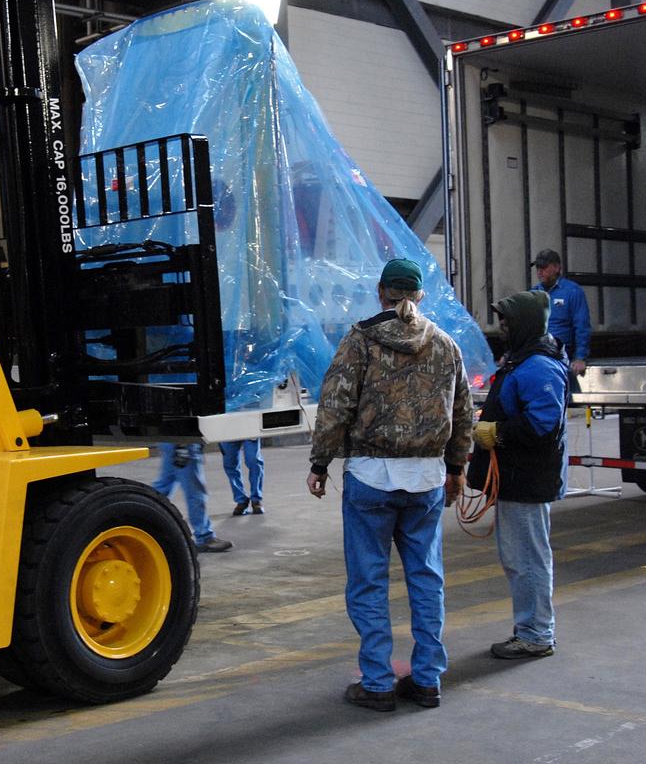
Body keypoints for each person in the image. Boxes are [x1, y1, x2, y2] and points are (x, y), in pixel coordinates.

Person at [306, 258, 472, 712]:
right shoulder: (445, 345)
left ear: (382, 292)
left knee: (368, 582)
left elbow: (335, 405)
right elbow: (462, 415)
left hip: (370, 479)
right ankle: (427, 680)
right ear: (418, 295)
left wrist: (320, 462)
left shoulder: (360, 341)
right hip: (426, 481)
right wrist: (457, 469)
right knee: (426, 578)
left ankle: (377, 683)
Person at [468, 290, 568, 660]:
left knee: (527, 559)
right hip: (517, 478)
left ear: (524, 323)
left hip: (527, 480)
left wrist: (498, 433)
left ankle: (536, 634)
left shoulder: (538, 366)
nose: (502, 327)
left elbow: (544, 423)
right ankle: (532, 629)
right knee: (520, 557)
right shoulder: (523, 360)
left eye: (508, 320)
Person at [155, 444, 233, 553]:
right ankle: (204, 537)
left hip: (172, 442)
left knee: (163, 487)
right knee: (195, 492)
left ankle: (139, 518)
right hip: (184, 442)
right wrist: (182, 446)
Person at [529, 249, 590, 388]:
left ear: (556, 267)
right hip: (537, 352)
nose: (539, 271)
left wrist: (580, 358)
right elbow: (524, 326)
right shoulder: (533, 293)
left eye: (544, 267)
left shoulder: (572, 291)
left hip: (560, 353)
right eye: (538, 268)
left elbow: (582, 326)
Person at [221, 439, 265, 515]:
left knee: (254, 461)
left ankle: (256, 499)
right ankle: (241, 500)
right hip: (226, 430)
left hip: (249, 429)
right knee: (230, 464)